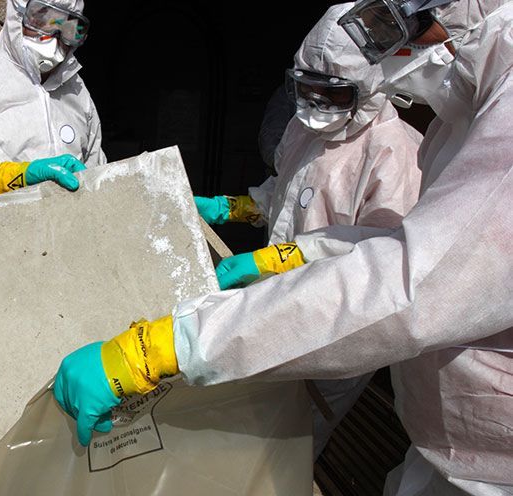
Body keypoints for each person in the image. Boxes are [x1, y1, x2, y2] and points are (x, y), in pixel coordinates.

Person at [53, 1, 513, 494]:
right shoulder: (458, 116)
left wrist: (168, 346)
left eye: (402, 25)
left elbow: (405, 287)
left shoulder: (396, 149)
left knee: (281, 449)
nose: (315, 103)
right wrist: (251, 224)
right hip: (442, 439)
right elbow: (329, 213)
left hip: (383, 372)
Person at [195, 3, 424, 457]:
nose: (317, 104)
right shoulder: (305, 129)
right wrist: (234, 207)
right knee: (240, 425)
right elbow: (288, 192)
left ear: (370, 87)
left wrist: (276, 259)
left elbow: (380, 259)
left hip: (332, 326)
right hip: (271, 302)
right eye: (306, 88)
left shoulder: (394, 153)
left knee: (289, 444)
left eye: (334, 94)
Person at [0, 0, 106, 198]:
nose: (53, 36)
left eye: (68, 25)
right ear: (18, 14)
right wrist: (10, 178)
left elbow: (97, 175)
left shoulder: (78, 93)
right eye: (42, 18)